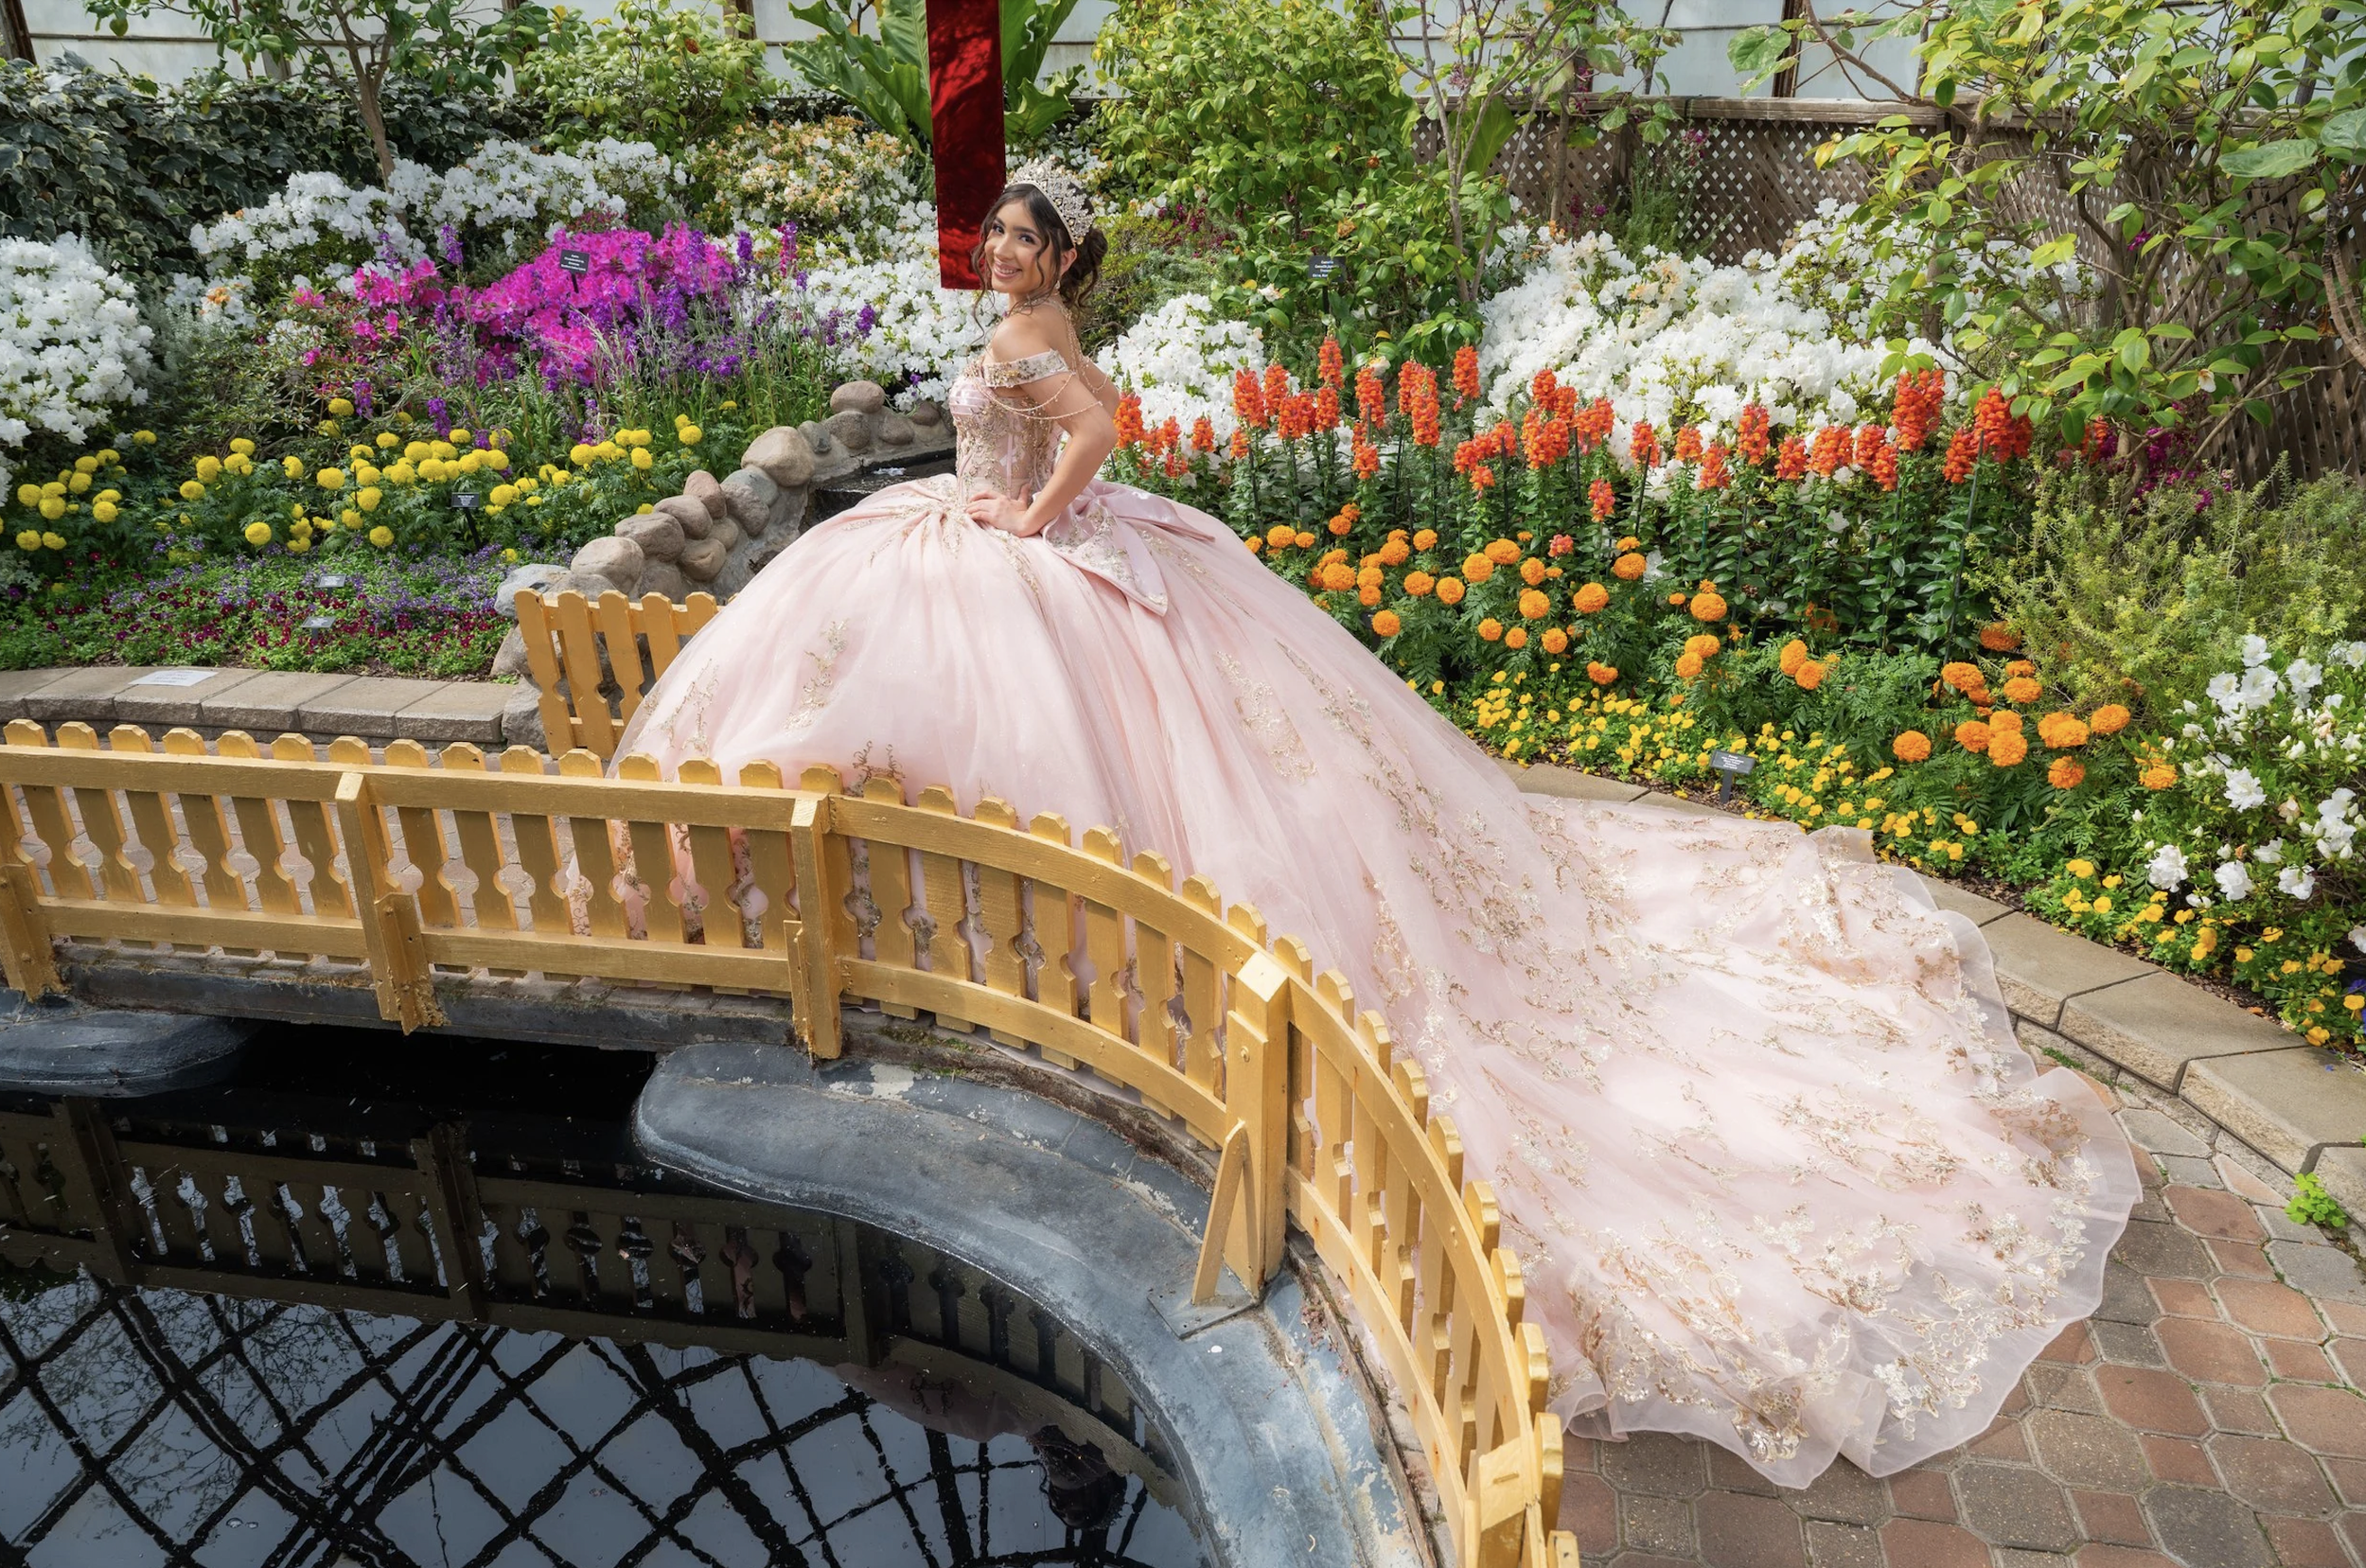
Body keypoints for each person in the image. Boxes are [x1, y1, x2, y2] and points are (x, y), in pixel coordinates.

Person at [613, 162, 2140, 1488]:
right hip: (994, 545)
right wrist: (1018, 500)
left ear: (1063, 261)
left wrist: (1031, 513)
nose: (1004, 254)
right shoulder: (1021, 324)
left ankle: (1000, 944)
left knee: (1056, 755)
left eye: (1025, 238)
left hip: (1023, 554)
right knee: (969, 738)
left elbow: (1101, 422)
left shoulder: (1032, 337)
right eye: (1000, 236)